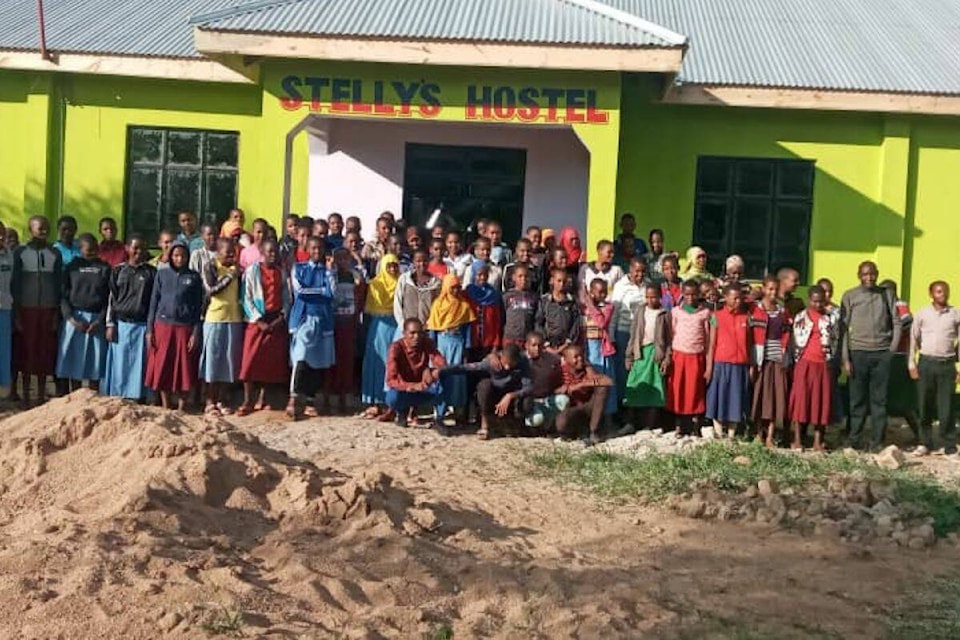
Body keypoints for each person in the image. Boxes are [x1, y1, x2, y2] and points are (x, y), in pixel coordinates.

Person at [841, 261, 900, 451]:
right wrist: (845, 358)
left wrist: (892, 350)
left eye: (872, 274)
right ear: (859, 275)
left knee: (879, 401)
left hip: (882, 354)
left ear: (877, 274)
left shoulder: (886, 294)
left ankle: (877, 441)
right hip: (858, 353)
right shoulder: (850, 296)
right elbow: (843, 329)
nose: (869, 278)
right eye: (865, 274)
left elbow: (897, 322)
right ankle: (855, 440)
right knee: (857, 401)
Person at [144, 242, 203, 410]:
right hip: (162, 326)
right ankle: (165, 405)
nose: (179, 259)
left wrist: (195, 333)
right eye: (176, 255)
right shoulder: (161, 274)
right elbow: (153, 303)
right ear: (170, 256)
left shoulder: (194, 277)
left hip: (184, 328)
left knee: (183, 368)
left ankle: (182, 407)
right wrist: (150, 330)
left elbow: (198, 307)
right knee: (163, 367)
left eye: (183, 256)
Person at [11, 216, 63, 405]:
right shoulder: (20, 253)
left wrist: (56, 312)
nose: (44, 232)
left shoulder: (54, 253)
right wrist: (16, 312)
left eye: (46, 229)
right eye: (40, 228)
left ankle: (41, 394)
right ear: (30, 229)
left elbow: (58, 285)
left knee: (44, 351)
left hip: (47, 309)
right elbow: (15, 284)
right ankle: (25, 394)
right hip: (26, 309)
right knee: (26, 350)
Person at [287, 237, 337, 419]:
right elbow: (300, 291)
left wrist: (329, 277)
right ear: (307, 249)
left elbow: (332, 292)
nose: (317, 251)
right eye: (313, 248)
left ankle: (310, 400)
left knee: (319, 360)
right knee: (301, 356)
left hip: (323, 319)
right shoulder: (298, 268)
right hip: (303, 318)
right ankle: (294, 398)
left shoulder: (329, 271)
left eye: (320, 248)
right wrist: (321, 290)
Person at [237, 239, 289, 416]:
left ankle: (263, 398)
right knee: (249, 361)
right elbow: (246, 297)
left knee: (270, 362)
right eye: (269, 252)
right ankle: (247, 400)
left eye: (275, 252)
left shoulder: (281, 272)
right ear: (263, 253)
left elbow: (286, 296)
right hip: (257, 319)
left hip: (275, 320)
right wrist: (258, 320)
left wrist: (282, 316)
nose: (273, 255)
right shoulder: (253, 271)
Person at [908, 281, 960, 455]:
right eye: (938, 291)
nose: (942, 294)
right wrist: (911, 362)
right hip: (926, 364)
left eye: (945, 291)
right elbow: (913, 339)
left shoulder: (955, 314)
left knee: (947, 406)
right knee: (924, 404)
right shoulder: (922, 313)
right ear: (931, 294)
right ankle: (925, 442)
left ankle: (948, 443)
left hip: (947, 365)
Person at [103, 235, 156, 401]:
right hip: (121, 325)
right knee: (120, 364)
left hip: (142, 326)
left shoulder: (151, 272)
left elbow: (154, 302)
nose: (139, 252)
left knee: (139, 365)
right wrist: (110, 324)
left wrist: (150, 328)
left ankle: (138, 397)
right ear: (127, 248)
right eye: (135, 248)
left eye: (142, 248)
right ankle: (119, 397)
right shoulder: (118, 270)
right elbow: (112, 298)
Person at [56, 233, 110, 390]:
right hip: (75, 319)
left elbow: (109, 298)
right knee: (74, 363)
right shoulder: (71, 267)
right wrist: (70, 319)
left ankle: (94, 398)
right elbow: (63, 295)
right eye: (88, 249)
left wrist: (100, 320)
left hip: (96, 320)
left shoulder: (104, 268)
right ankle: (76, 397)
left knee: (95, 364)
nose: (92, 251)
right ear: (80, 249)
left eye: (95, 248)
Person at [443, 344, 532, 439]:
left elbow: (529, 387)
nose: (507, 368)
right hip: (494, 395)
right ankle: (485, 423)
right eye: (505, 363)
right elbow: (467, 367)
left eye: (511, 364)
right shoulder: (491, 362)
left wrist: (510, 395)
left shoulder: (523, 362)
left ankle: (515, 424)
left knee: (527, 399)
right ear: (501, 356)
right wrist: (442, 370)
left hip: (511, 396)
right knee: (484, 385)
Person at [789, 285, 839, 451]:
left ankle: (818, 441)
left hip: (823, 363)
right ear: (809, 300)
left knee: (821, 402)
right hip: (804, 362)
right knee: (801, 402)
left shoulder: (831, 318)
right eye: (815, 301)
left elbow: (835, 339)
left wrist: (830, 357)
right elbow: (794, 339)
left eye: (821, 302)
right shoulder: (801, 317)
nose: (818, 305)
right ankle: (797, 440)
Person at [198, 237, 243, 416]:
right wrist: (230, 275)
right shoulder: (210, 266)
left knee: (228, 361)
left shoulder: (239, 269)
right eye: (228, 252)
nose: (232, 255)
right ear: (218, 252)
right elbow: (211, 289)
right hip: (214, 318)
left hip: (233, 318)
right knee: (212, 361)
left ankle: (223, 399)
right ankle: (209, 400)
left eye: (234, 252)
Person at [426, 273, 475, 426]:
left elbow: (467, 329)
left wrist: (467, 349)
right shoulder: (438, 305)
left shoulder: (464, 305)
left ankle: (459, 414)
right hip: (442, 344)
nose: (455, 291)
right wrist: (432, 350)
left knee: (457, 379)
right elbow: (433, 329)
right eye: (452, 288)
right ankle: (439, 414)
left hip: (458, 344)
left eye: (457, 288)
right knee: (441, 377)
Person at [750, 276, 793, 447]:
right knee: (760, 397)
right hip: (761, 359)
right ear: (764, 289)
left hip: (777, 358)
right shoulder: (756, 309)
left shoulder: (782, 311)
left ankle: (771, 435)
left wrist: (785, 357)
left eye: (775, 289)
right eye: (769, 289)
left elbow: (787, 334)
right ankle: (759, 433)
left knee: (776, 398)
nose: (773, 293)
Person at [623, 283, 671, 434]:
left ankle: (649, 426)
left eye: (654, 297)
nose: (651, 300)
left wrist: (666, 358)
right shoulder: (640, 311)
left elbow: (669, 339)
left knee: (655, 388)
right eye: (648, 297)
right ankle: (630, 423)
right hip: (640, 353)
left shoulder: (664, 314)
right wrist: (629, 356)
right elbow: (634, 334)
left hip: (655, 355)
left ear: (660, 297)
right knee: (634, 386)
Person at [667, 280, 712, 436]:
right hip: (679, 355)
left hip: (696, 355)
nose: (690, 298)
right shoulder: (676, 312)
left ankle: (695, 425)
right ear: (682, 294)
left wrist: (707, 362)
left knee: (694, 389)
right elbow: (672, 333)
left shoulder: (705, 313)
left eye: (693, 294)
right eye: (687, 294)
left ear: (699, 294)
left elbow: (707, 337)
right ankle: (679, 424)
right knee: (678, 389)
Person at [385, 318, 447, 428]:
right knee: (392, 398)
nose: (416, 337)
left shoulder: (426, 342)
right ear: (404, 334)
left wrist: (432, 371)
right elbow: (391, 380)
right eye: (412, 333)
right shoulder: (396, 348)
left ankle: (439, 418)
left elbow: (440, 361)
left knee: (445, 378)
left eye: (419, 333)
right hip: (404, 389)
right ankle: (402, 411)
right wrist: (412, 386)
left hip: (423, 387)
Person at [880, 279, 922, 440]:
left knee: (904, 400)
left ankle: (919, 434)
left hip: (898, 356)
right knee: (881, 398)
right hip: (884, 355)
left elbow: (907, 322)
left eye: (886, 290)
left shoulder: (900, 304)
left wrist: (888, 333)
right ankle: (881, 436)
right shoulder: (881, 305)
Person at [326, 247, 366, 414]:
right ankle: (332, 395)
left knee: (347, 359)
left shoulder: (353, 275)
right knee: (332, 360)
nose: (343, 262)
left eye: (345, 259)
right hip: (332, 322)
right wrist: (331, 270)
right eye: (339, 259)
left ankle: (346, 393)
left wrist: (357, 264)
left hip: (349, 321)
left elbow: (361, 283)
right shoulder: (331, 276)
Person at [361, 254, 401, 420]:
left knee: (392, 363)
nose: (392, 269)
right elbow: (369, 309)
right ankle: (374, 401)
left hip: (396, 323)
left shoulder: (402, 283)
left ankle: (390, 402)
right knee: (377, 363)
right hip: (379, 327)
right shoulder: (375, 284)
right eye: (388, 266)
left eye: (394, 266)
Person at [611, 257, 650, 410]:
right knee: (623, 370)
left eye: (642, 272)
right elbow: (614, 311)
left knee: (638, 369)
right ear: (630, 270)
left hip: (642, 334)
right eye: (636, 271)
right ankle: (622, 405)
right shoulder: (621, 285)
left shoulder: (647, 284)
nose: (639, 275)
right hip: (624, 332)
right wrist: (612, 335)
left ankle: (637, 405)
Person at [555, 344, 613, 444]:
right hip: (573, 409)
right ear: (566, 359)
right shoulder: (560, 371)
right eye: (576, 357)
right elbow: (553, 390)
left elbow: (608, 381)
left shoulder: (587, 370)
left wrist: (580, 384)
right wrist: (566, 389)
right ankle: (571, 433)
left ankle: (594, 432)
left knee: (602, 389)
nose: (580, 359)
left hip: (588, 408)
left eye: (581, 355)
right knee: (562, 422)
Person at [583, 278, 618, 420]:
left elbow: (601, 322)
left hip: (602, 350)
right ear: (591, 292)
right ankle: (591, 416)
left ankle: (607, 417)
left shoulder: (608, 307)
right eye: (599, 292)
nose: (602, 295)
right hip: (589, 349)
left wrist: (589, 302)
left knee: (606, 382)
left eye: (604, 292)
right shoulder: (583, 309)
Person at [521, 331, 565, 431]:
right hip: (530, 401)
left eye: (540, 345)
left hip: (547, 398)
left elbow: (563, 363)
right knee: (537, 419)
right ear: (526, 345)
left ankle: (549, 426)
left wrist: (563, 386)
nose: (537, 348)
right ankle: (528, 428)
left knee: (563, 400)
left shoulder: (551, 359)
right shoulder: (521, 359)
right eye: (533, 345)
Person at [394, 249, 441, 337]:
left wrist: (429, 324)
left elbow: (438, 306)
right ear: (413, 262)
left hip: (427, 330)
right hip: (405, 329)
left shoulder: (436, 283)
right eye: (418, 261)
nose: (422, 264)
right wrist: (402, 324)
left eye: (425, 261)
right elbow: (397, 302)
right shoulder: (405, 279)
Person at [536, 268, 581, 354]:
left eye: (564, 281)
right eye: (559, 281)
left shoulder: (571, 301)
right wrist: (546, 344)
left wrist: (567, 343)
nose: (562, 284)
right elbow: (538, 323)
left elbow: (575, 323)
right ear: (552, 281)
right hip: (548, 345)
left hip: (566, 346)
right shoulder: (544, 301)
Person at [465, 263, 504, 361]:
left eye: (485, 275)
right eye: (479, 275)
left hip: (488, 342)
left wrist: (496, 344)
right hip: (470, 342)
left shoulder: (493, 294)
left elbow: (497, 322)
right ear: (473, 274)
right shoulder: (467, 293)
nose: (482, 278)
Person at [501, 264, 538, 348]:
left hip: (527, 338)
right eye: (520, 276)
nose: (523, 279)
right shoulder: (507, 296)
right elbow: (501, 317)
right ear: (514, 277)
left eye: (526, 276)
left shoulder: (534, 297)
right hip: (510, 337)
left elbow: (536, 319)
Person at [0, 221, 13, 392]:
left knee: (3, 353)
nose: (1, 237)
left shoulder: (9, 254)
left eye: (3, 233)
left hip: (5, 309)